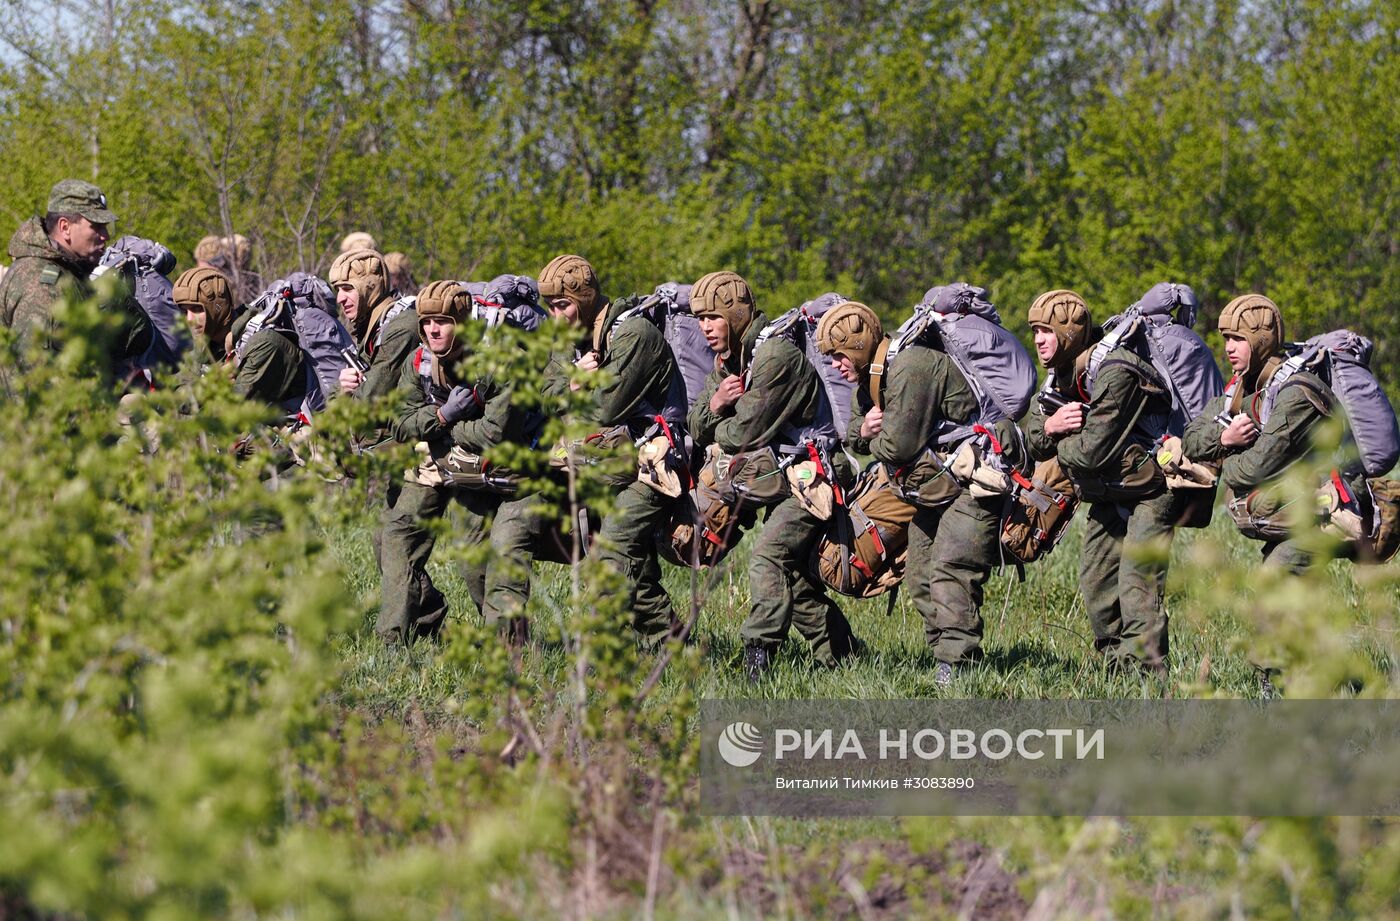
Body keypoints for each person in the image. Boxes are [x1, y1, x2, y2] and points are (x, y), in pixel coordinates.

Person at [482, 254, 685, 645]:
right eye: (551, 307)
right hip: (585, 459)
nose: (555, 316)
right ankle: (504, 649)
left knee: (617, 554)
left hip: (648, 466)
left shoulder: (634, 335)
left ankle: (601, 661)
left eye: (563, 306)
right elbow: (540, 396)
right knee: (511, 523)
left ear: (587, 298)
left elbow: (606, 408)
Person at [820, 301, 1000, 686]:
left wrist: (872, 438)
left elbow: (899, 446)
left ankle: (959, 667)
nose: (836, 366)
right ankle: (948, 659)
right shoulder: (874, 379)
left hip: (972, 485)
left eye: (838, 356)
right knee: (919, 579)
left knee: (950, 571)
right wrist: (866, 433)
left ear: (858, 343)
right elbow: (855, 431)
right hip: (934, 491)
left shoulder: (911, 365)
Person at [687, 271, 856, 679]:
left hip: (812, 478)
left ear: (735, 313)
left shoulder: (775, 356)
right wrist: (717, 402)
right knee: (792, 578)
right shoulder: (731, 360)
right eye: (699, 319)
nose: (705, 327)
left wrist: (721, 419)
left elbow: (744, 434)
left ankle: (757, 658)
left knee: (767, 559)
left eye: (713, 317)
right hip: (779, 478)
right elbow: (696, 425)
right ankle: (845, 657)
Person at [1026, 289, 1174, 674]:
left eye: (1046, 331)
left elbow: (1091, 452)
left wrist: (1056, 441)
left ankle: (1146, 674)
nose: (1038, 339)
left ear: (1069, 333)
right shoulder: (1060, 374)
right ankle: (1115, 668)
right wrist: (1051, 425)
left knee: (1137, 583)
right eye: (1035, 331)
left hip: (1152, 490)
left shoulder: (1115, 370)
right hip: (1110, 489)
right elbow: (1032, 434)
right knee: (1096, 583)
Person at [377, 280, 512, 645]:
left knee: (474, 562)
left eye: (442, 321)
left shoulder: (492, 364)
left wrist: (445, 428)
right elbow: (400, 423)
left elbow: (493, 433)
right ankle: (393, 639)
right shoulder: (418, 361)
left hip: (478, 470)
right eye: (426, 322)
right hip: (433, 463)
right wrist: (442, 416)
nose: (432, 329)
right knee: (397, 538)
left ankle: (508, 645)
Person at [1181, 294, 1352, 574]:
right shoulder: (1244, 389)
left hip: (1325, 513)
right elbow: (1190, 439)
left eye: (1238, 339)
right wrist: (1225, 439)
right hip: (1290, 514)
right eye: (1226, 339)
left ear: (1261, 340)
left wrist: (1226, 457)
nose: (1228, 348)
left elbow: (1252, 469)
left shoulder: (1295, 393)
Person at [1, 179, 152, 371]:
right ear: (65, 227)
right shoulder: (44, 286)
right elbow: (38, 382)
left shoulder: (68, 273)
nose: (105, 235)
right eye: (96, 226)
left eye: (105, 226)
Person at [171, 266, 310, 409]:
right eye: (184, 310)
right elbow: (174, 396)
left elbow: (231, 413)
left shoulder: (265, 344)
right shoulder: (208, 344)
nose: (189, 319)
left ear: (218, 307)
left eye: (196, 309)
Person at [328, 248, 417, 401]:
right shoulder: (373, 326)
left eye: (348, 289)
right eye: (338, 290)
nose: (340, 299)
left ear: (370, 287)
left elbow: (368, 403)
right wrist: (343, 387)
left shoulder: (401, 328)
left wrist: (340, 396)